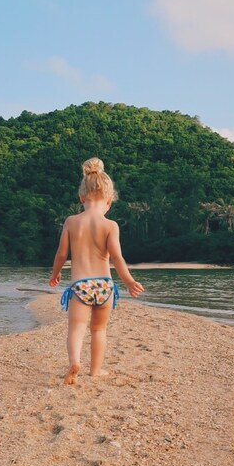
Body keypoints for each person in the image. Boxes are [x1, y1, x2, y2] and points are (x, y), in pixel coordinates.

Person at [49, 157, 144, 385]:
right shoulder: (111, 226)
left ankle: (74, 362)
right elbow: (117, 258)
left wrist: (55, 274)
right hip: (105, 286)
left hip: (80, 285)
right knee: (99, 330)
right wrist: (129, 282)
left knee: (76, 328)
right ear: (110, 201)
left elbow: (62, 254)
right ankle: (96, 370)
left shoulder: (72, 222)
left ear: (82, 198)